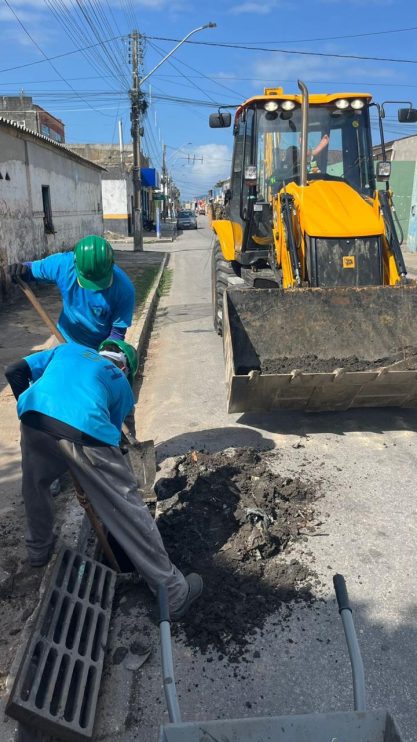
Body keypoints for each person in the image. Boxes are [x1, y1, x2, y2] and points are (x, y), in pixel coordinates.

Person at [4, 341, 203, 619]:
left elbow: (14, 370)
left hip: (33, 417)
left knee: (35, 486)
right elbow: (109, 437)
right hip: (85, 429)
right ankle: (173, 594)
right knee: (127, 511)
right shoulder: (119, 382)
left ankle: (38, 550)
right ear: (126, 368)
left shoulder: (67, 349)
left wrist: (35, 406)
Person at [8, 235, 135, 350]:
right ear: (76, 265)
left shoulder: (124, 290)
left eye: (99, 281)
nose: (95, 287)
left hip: (99, 347)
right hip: (63, 338)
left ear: (111, 264)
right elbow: (32, 270)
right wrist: (21, 270)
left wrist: (108, 351)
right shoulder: (63, 265)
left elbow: (117, 332)